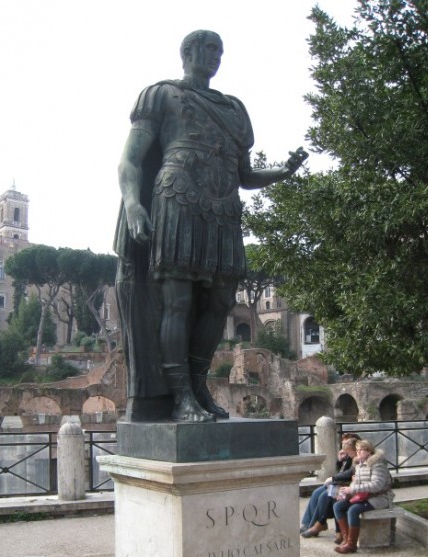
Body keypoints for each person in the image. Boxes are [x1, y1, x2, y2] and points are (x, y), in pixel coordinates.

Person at [115, 29, 308, 422]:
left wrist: (283, 171)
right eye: (209, 49)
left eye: (220, 51)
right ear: (187, 52)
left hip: (224, 209)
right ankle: (181, 395)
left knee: (220, 302)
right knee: (178, 301)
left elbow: (246, 175)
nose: (216, 56)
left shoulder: (234, 110)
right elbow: (130, 160)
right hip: (178, 201)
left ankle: (198, 384)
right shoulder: (160, 94)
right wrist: (133, 204)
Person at [333, 439, 394, 554]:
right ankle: (346, 540)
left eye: (361, 450)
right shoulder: (359, 464)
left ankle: (351, 545)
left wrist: (353, 489)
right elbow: (356, 484)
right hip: (363, 496)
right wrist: (347, 493)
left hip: (380, 497)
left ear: (369, 451)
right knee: (338, 506)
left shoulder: (378, 464)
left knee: (353, 510)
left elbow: (376, 485)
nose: (358, 452)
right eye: (357, 450)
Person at [300, 437, 358, 539]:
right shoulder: (350, 457)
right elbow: (341, 471)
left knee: (326, 494)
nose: (345, 451)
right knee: (317, 492)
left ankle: (318, 524)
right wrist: (340, 461)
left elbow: (348, 474)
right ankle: (309, 523)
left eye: (347, 448)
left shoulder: (357, 459)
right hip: (342, 484)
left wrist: (333, 478)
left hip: (348, 487)